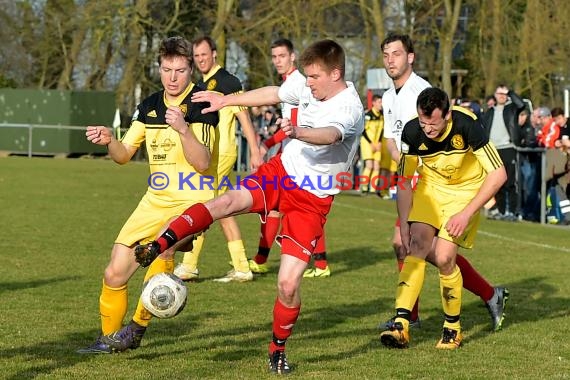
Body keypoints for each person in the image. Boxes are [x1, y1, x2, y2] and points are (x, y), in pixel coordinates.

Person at [133, 39, 364, 373]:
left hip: (313, 200)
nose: (308, 83)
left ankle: (277, 350)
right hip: (281, 174)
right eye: (307, 77)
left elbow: (329, 135)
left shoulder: (350, 107)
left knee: (287, 286)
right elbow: (273, 92)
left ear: (336, 73)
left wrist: (298, 131)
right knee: (226, 201)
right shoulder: (309, 85)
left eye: (314, 77)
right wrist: (226, 100)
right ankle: (158, 245)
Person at [77, 36, 219, 354]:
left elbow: (203, 162)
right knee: (114, 271)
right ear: (159, 68)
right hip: (154, 200)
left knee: (163, 248)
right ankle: (109, 339)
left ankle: (137, 328)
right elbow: (125, 154)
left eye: (180, 70)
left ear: (190, 69)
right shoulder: (149, 106)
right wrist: (110, 141)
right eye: (166, 69)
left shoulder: (204, 103)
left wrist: (183, 129)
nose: (172, 77)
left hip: (192, 200)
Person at [379, 33, 509, 332]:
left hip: (445, 185)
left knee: (427, 250)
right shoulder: (388, 96)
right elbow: (392, 140)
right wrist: (406, 163)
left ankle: (417, 315)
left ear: (410, 57)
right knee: (414, 247)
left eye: (396, 54)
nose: (390, 60)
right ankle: (409, 315)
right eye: (386, 54)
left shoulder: (422, 92)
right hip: (420, 181)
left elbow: (442, 143)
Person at [173, 35, 263, 283]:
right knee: (224, 210)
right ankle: (242, 266)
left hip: (221, 153)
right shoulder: (202, 83)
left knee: (203, 205)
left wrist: (254, 150)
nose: (201, 59)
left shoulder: (227, 80)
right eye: (197, 55)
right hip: (211, 153)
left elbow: (244, 117)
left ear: (214, 53)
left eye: (204, 54)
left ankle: (189, 264)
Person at [249, 38, 331, 278]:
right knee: (277, 207)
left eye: (282, 56)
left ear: (293, 57)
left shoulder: (297, 83)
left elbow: (294, 127)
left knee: (295, 206)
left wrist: (267, 144)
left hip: (299, 157)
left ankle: (317, 264)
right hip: (294, 154)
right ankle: (263, 259)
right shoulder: (289, 83)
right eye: (274, 57)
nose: (277, 61)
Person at [481, 84, 526, 221]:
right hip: (494, 150)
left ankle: (512, 212)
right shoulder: (489, 112)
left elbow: (521, 105)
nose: (501, 96)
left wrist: (510, 92)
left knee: (511, 182)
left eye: (503, 94)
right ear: (494, 95)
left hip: (508, 147)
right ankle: (500, 211)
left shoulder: (511, 109)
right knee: (497, 183)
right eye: (499, 93)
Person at [360, 94, 383, 195]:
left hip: (377, 143)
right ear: (373, 103)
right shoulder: (368, 115)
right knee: (369, 165)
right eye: (379, 102)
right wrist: (371, 143)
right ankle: (364, 187)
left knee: (377, 166)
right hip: (367, 142)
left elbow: (382, 130)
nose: (381, 104)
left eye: (381, 102)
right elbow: (363, 131)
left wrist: (379, 142)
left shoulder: (382, 116)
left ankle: (373, 189)